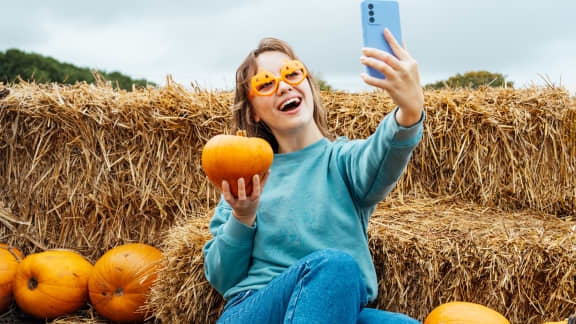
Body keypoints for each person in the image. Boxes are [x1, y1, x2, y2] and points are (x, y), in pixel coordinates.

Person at [203, 28, 425, 324]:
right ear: (253, 111)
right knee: (336, 266)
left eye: (292, 74)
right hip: (256, 310)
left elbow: (383, 153)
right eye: (266, 83)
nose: (283, 86)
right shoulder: (247, 177)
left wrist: (409, 112)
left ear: (308, 83)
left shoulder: (344, 162)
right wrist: (242, 217)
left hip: (333, 308)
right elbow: (221, 277)